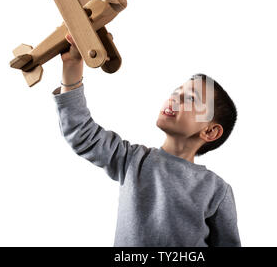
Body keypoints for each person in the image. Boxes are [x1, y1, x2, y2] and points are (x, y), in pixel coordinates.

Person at [51, 34, 241, 246]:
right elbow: (81, 133)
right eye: (176, 92)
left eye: (190, 98)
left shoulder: (216, 189)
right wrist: (71, 65)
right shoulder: (132, 160)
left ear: (210, 132)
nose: (174, 98)